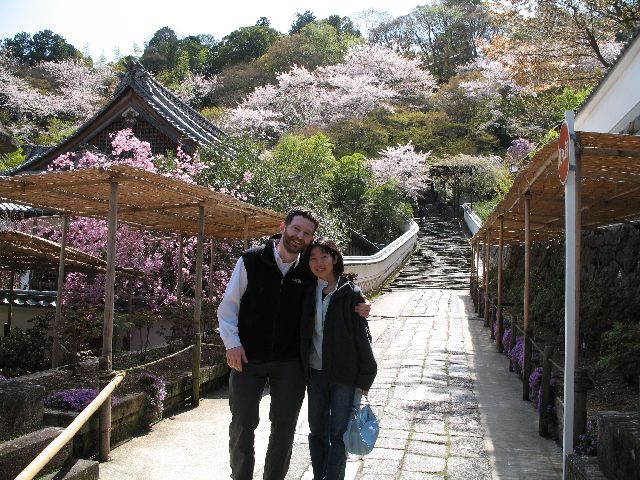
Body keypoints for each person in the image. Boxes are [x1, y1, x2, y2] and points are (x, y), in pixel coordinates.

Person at [218, 207, 370, 480]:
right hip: (247, 358)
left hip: (290, 362)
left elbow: (337, 283)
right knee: (242, 424)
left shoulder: (309, 268)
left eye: (307, 233)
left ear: (311, 238)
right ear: (283, 227)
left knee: (284, 428)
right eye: (296, 229)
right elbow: (229, 306)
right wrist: (232, 343)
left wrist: (361, 302)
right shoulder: (251, 260)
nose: (300, 236)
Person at [300, 238, 377, 480]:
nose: (319, 263)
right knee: (316, 430)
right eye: (313, 258)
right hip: (315, 374)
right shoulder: (307, 291)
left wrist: (366, 377)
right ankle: (319, 475)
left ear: (334, 258)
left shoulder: (350, 293)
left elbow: (362, 337)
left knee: (339, 433)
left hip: (344, 376)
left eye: (324, 256)